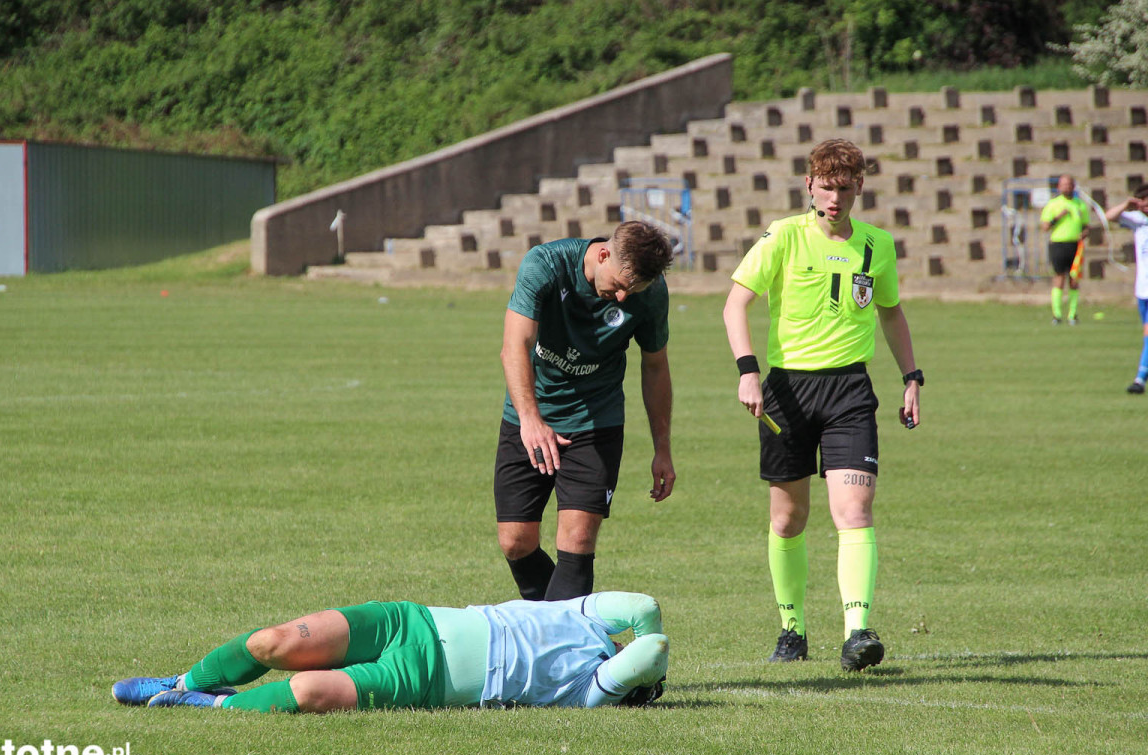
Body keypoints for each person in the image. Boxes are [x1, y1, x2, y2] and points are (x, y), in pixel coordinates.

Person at [722, 138, 921, 672]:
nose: (835, 197)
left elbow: (891, 312)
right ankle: (793, 630)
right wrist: (748, 372)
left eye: (845, 186)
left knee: (854, 510)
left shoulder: (877, 245)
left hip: (850, 393)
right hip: (786, 393)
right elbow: (735, 303)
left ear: (860, 186)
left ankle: (858, 631)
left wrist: (911, 377)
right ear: (810, 185)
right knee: (789, 519)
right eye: (826, 186)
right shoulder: (784, 235)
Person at [495, 221, 676, 602]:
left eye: (635, 289)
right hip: (530, 414)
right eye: (621, 284)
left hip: (596, 420)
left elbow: (655, 366)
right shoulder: (545, 264)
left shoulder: (652, 294)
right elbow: (515, 346)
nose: (625, 297)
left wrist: (663, 448)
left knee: (577, 539)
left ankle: (563, 650)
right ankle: (575, 632)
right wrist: (531, 420)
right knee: (515, 541)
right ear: (603, 254)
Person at [112, 591, 668, 712]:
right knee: (270, 643)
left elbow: (652, 645)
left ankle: (202, 705)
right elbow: (643, 607)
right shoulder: (589, 617)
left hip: (422, 678)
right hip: (409, 621)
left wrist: (652, 671)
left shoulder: (588, 694)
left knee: (306, 693)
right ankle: (184, 680)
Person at [1103, 184, 1148, 394]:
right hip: (1142, 289)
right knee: (1146, 335)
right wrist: (1126, 205)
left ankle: (1139, 380)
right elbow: (1109, 216)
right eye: (1142, 203)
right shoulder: (1138, 221)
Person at [1039, 174, 1090, 325]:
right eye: (1063, 184)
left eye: (1069, 184)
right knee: (1059, 278)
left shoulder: (1080, 205)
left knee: (1074, 279)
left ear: (1073, 186)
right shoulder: (1053, 204)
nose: (1066, 187)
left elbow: (1086, 226)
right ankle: (1057, 314)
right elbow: (1045, 226)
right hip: (1058, 244)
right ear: (1058, 187)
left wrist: (1085, 232)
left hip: (1075, 245)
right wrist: (1058, 217)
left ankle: (1072, 315)